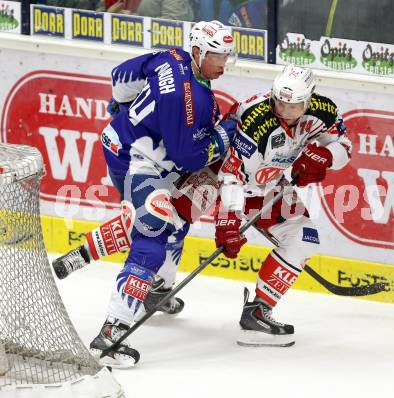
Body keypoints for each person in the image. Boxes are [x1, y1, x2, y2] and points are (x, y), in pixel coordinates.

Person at [53, 20, 236, 368]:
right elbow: (189, 156)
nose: (223, 62)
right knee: (152, 233)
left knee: (173, 217)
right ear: (198, 51)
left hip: (124, 145)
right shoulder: (192, 97)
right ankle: (111, 332)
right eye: (217, 55)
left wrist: (120, 105)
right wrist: (226, 132)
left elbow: (120, 75)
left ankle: (144, 283)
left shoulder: (170, 57)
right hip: (136, 161)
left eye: (227, 54)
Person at [213, 64, 352, 347]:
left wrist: (324, 155)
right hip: (217, 180)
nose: (285, 111)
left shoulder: (323, 111)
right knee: (163, 226)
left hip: (269, 185)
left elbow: (344, 147)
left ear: (309, 99)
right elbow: (232, 173)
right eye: (280, 102)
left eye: (294, 105)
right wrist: (229, 217)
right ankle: (154, 284)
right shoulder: (257, 118)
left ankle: (258, 312)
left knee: (304, 238)